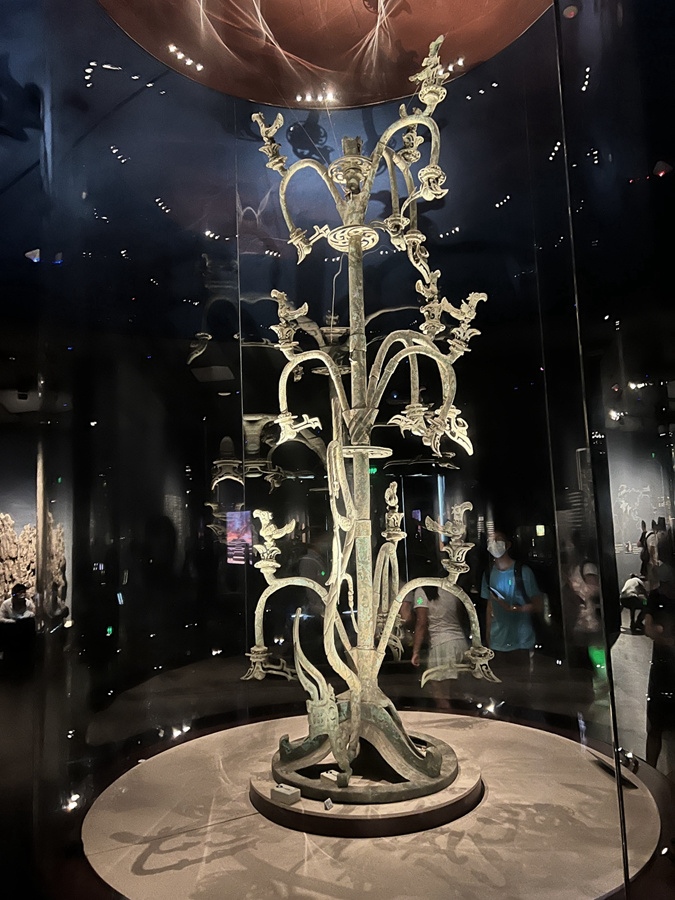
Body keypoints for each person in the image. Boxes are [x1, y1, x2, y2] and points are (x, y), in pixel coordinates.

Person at [480, 531, 543, 673]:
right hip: (497, 641)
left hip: (521, 641)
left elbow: (538, 605)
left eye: (498, 540)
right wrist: (488, 637)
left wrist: (513, 608)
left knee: (520, 680)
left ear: (508, 545)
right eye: (491, 540)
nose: (494, 544)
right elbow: (490, 606)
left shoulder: (523, 572)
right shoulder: (488, 574)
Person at [402, 585, 470, 710]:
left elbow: (421, 623)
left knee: (439, 692)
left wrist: (415, 651)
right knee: (455, 693)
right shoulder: (451, 589)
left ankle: (447, 718)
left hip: (442, 646)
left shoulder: (421, 594)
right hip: (460, 643)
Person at [644, 592, 675, 772]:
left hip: (663, 667)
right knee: (655, 726)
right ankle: (650, 771)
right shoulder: (657, 597)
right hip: (663, 668)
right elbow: (649, 628)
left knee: (656, 727)